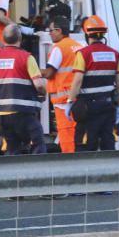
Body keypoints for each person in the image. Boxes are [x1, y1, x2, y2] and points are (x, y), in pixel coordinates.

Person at [0, 24, 47, 155]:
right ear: (20, 38)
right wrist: (43, 94)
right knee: (38, 143)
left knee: (12, 148)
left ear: (3, 39)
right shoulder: (26, 57)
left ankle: (11, 174)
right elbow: (39, 85)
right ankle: (39, 173)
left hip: (0, 115)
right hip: (22, 113)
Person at [66, 15, 119, 152]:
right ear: (102, 35)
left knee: (84, 147)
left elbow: (78, 80)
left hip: (88, 109)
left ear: (87, 35)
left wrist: (69, 102)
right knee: (108, 146)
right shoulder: (114, 54)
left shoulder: (83, 54)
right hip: (108, 107)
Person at [42, 15, 82, 153]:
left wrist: (32, 71)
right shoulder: (78, 46)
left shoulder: (59, 48)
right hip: (77, 99)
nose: (50, 33)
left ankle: (71, 166)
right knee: (77, 136)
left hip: (63, 102)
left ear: (59, 30)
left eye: (51, 30)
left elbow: (49, 73)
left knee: (66, 137)